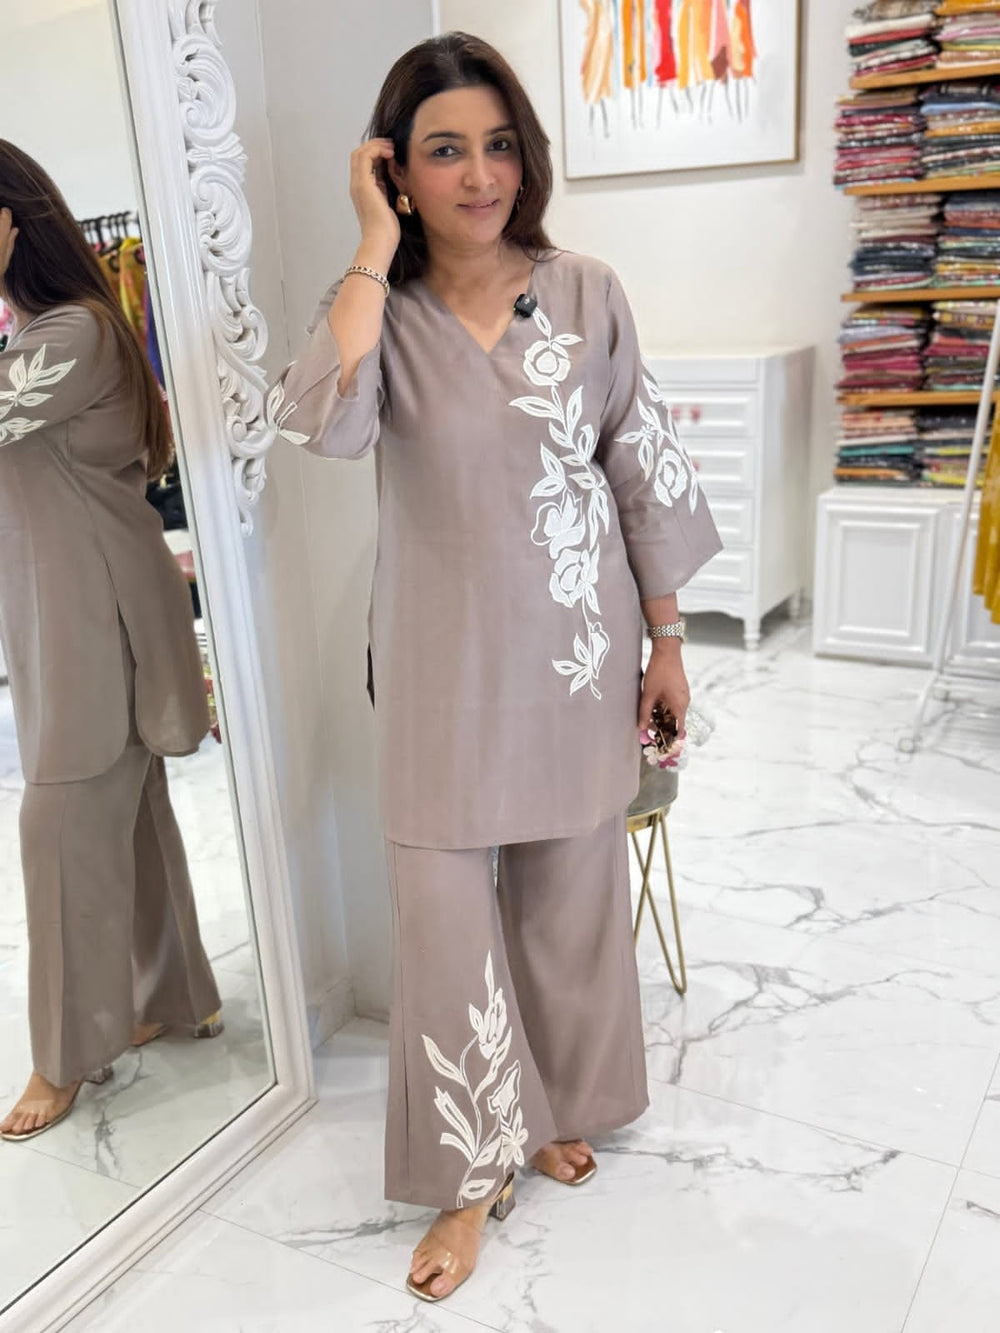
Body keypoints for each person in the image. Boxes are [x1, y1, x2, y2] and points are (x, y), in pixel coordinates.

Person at [268, 32, 721, 1303]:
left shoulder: (585, 291)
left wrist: (668, 640)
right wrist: (371, 242)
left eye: (499, 145)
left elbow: (638, 468)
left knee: (569, 898)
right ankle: (470, 1175)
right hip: (438, 670)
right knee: (444, 921)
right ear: (397, 171)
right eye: (444, 151)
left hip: (578, 655)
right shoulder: (381, 310)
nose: (480, 176)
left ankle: (556, 1101)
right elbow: (317, 420)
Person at [0, 142, 223, 1142]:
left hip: (91, 612)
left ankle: (65, 1056)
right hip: (83, 602)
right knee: (127, 814)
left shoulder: (75, 334)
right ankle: (172, 994)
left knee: (58, 821)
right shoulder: (53, 333)